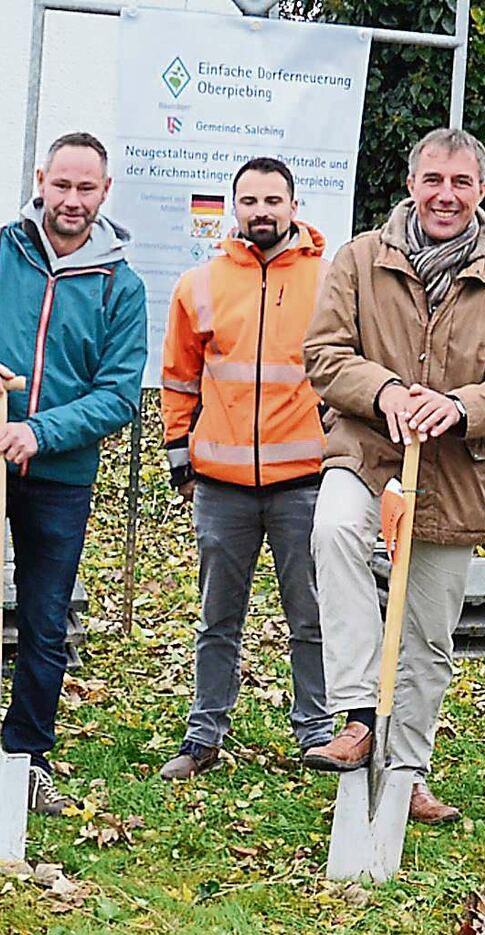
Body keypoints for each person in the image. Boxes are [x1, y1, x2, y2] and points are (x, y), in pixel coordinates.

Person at [299, 128, 485, 824]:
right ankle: (354, 716)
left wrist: (459, 406)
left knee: (428, 636)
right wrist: (385, 393)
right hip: (366, 448)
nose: (445, 194)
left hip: (452, 470)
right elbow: (324, 352)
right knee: (336, 529)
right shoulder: (359, 260)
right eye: (433, 179)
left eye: (460, 182)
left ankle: (405, 771)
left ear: (481, 191)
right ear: (411, 184)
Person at [0, 131, 146, 815]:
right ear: (41, 180)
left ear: (105, 193)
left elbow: (119, 393)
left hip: (58, 468)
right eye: (61, 185)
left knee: (46, 613)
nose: (70, 200)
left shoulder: (118, 287)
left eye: (85, 189)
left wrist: (37, 432)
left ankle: (28, 752)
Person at [157, 156, 331, 779]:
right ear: (235, 207)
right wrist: (182, 457)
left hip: (304, 483)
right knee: (216, 618)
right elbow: (178, 379)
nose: (261, 211)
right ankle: (203, 736)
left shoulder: (328, 281)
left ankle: (316, 732)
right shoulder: (199, 285)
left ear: (293, 204)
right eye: (250, 201)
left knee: (310, 615)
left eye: (272, 200)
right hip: (222, 487)